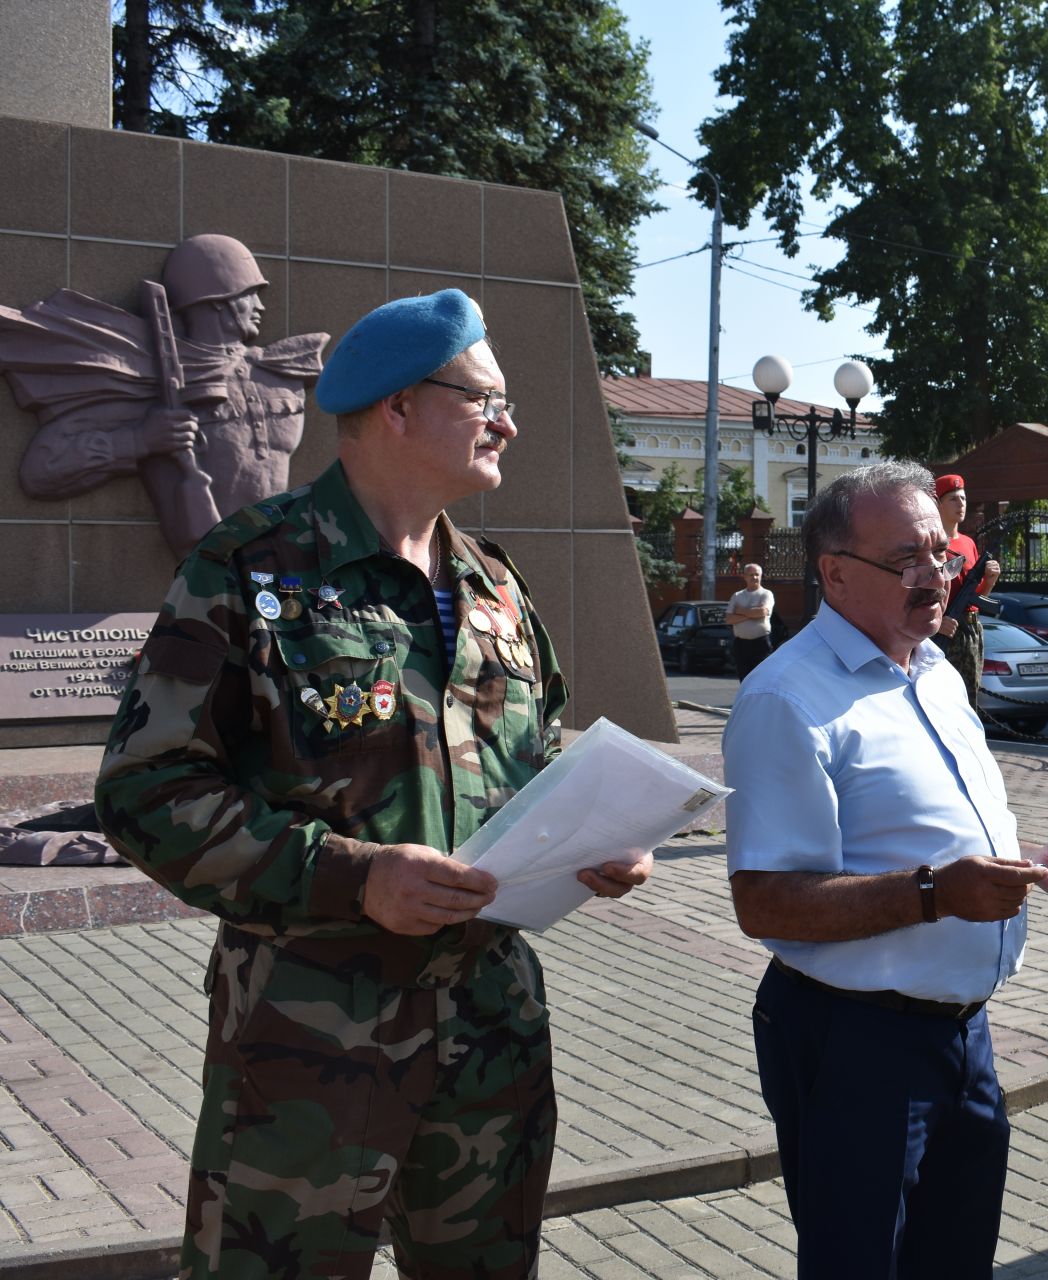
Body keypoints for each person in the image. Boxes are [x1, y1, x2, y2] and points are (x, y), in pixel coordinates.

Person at [93, 289, 656, 1278]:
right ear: (397, 407)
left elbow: (537, 765)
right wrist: (356, 877)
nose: (509, 423)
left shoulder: (497, 587)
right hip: (310, 1055)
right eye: (485, 398)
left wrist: (595, 833)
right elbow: (148, 789)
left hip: (491, 1046)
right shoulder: (248, 565)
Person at [722, 461, 1048, 1278]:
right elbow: (766, 904)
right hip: (855, 1043)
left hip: (965, 1036)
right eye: (907, 558)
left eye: (942, 554)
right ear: (834, 573)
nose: (936, 575)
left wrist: (1035, 869)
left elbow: (941, 838)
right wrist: (939, 896)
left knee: (954, 1260)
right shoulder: (786, 700)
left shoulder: (934, 671)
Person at [3, 233, 329, 559]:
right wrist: (140, 440)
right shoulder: (149, 378)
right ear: (219, 298)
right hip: (203, 572)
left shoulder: (281, 373)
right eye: (250, 295)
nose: (261, 306)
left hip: (272, 567)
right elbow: (41, 470)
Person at [929, 472, 1000, 704]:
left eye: (963, 498)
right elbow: (919, 591)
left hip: (971, 629)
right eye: (953, 499)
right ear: (937, 504)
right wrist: (937, 623)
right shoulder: (931, 544)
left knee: (969, 699)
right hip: (943, 631)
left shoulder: (968, 543)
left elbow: (977, 598)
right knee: (942, 700)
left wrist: (989, 581)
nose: (961, 504)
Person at [725, 561, 776, 680]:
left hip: (760, 643)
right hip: (741, 645)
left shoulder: (766, 594)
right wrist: (751, 614)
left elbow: (762, 612)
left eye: (757, 574)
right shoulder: (737, 596)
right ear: (745, 577)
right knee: (744, 678)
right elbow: (729, 619)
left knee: (760, 677)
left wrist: (740, 611)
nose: (754, 577)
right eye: (751, 574)